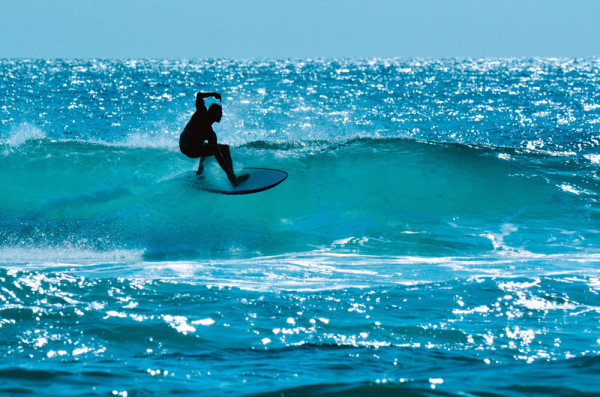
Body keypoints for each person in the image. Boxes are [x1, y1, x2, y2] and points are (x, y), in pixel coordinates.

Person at [179, 92, 249, 186]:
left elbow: (199, 95)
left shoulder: (201, 111)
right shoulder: (210, 133)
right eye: (220, 114)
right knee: (224, 148)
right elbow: (218, 156)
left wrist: (213, 94)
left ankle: (200, 173)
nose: (221, 116)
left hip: (182, 145)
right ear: (215, 115)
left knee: (206, 146)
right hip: (191, 150)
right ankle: (233, 178)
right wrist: (228, 173)